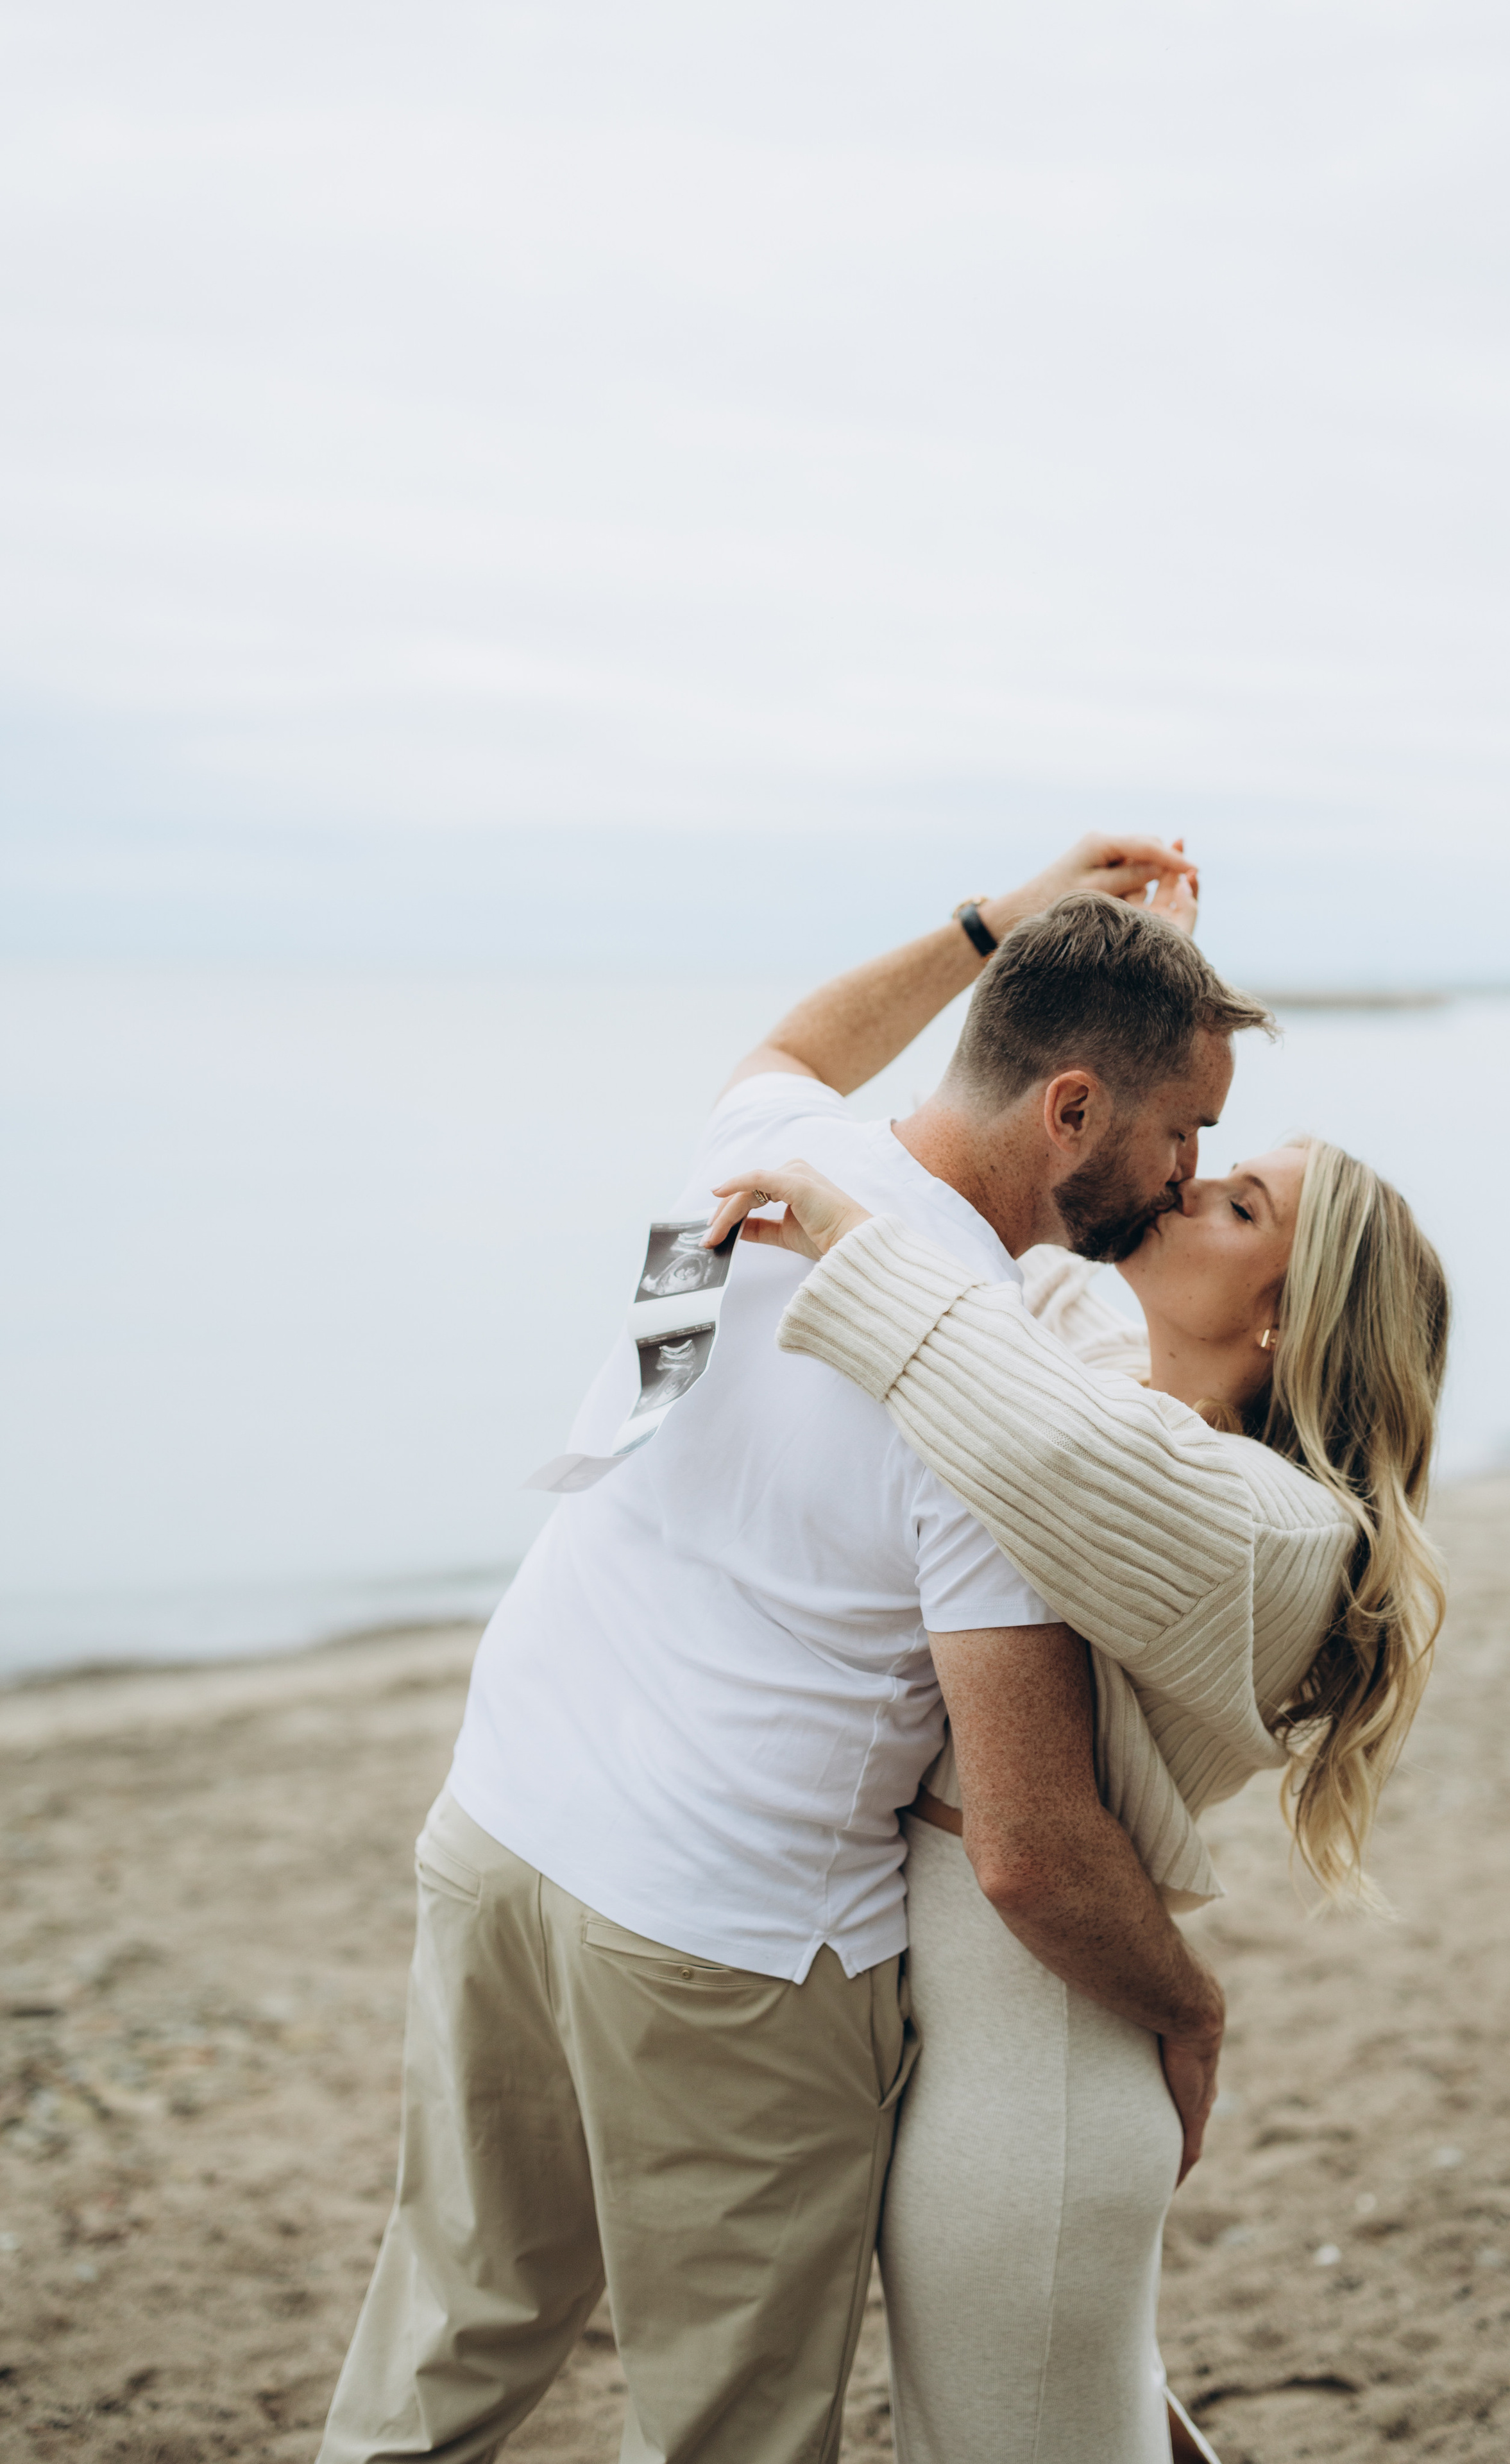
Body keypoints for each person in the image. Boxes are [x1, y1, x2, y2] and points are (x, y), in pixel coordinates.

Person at [315, 836, 1274, 2464]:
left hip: (502, 1828)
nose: (1185, 1174)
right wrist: (1188, 2011)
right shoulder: (973, 1394)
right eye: (1182, 1130)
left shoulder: (768, 1148)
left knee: (455, 2325)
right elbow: (1034, 1848)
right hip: (724, 1945)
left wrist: (999, 923)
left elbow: (796, 1047)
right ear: (1067, 1113)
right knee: (726, 2429)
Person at [703, 943, 1450, 2464]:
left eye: (1239, 1207)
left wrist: (848, 1242)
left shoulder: (1265, 1531)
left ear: (1285, 1326)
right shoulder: (1119, 1367)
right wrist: (1060, 959)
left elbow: (1039, 1447)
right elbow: (1029, 1266)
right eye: (1209, 1159)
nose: (1183, 1188)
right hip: (996, 2031)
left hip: (1030, 2057)